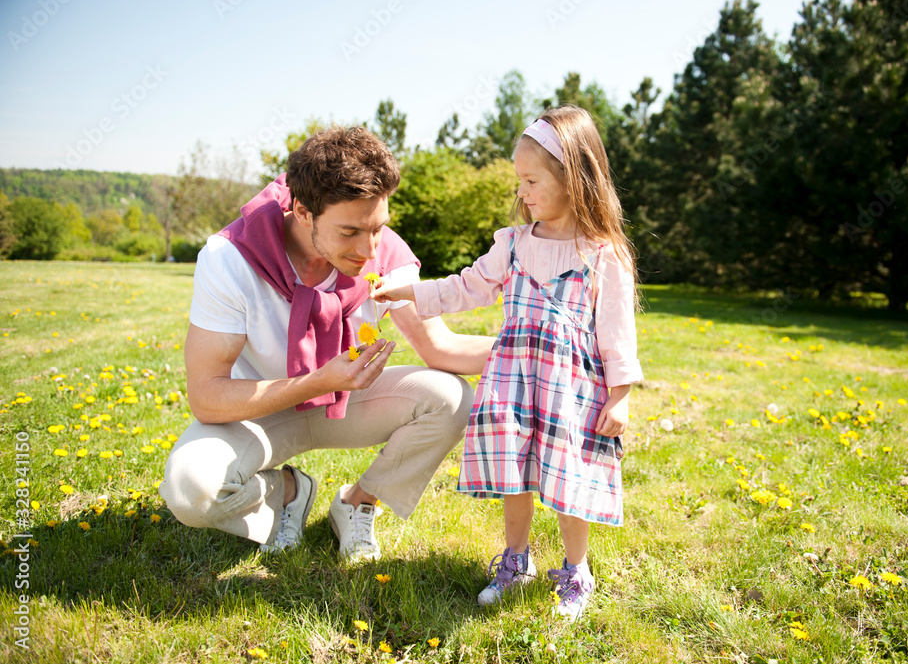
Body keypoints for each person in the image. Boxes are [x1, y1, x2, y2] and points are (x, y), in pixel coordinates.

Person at [159, 126, 493, 561]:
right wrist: (317, 380)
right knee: (191, 491)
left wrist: (542, 347)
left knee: (451, 398)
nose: (369, 251)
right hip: (254, 413)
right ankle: (288, 492)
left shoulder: (382, 252)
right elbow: (206, 397)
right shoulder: (230, 260)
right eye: (350, 232)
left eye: (378, 228)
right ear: (302, 210)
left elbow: (440, 350)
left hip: (343, 401)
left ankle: (357, 502)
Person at [372, 105, 642, 620]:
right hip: (515, 382)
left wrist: (621, 394)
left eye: (531, 179)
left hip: (571, 391)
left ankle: (575, 569)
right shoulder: (514, 244)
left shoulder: (601, 254)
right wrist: (410, 291)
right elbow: (465, 287)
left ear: (572, 178)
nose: (522, 191)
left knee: (567, 479)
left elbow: (617, 333)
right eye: (520, 180)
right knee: (515, 475)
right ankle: (515, 561)